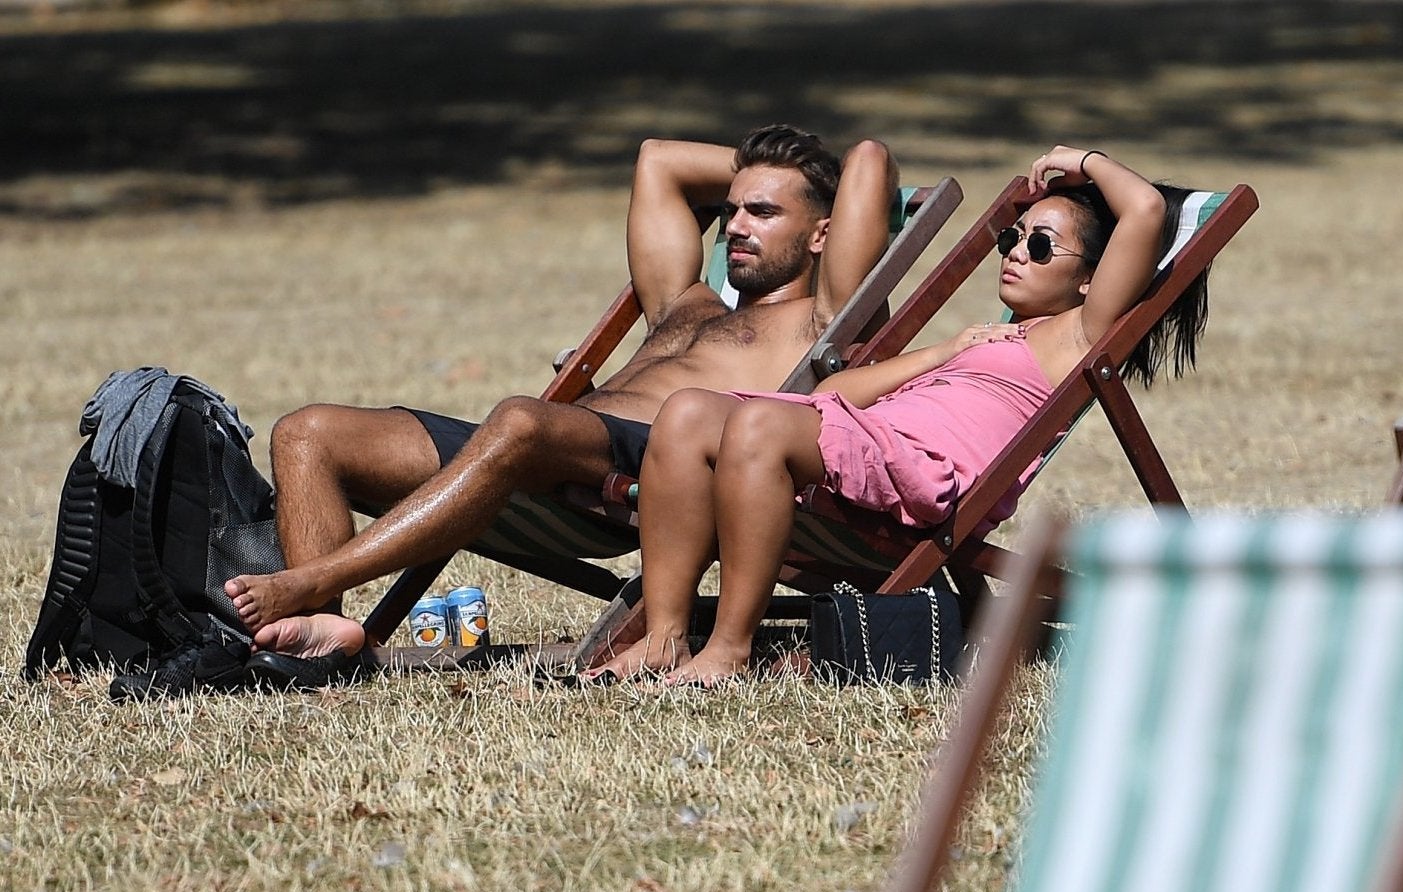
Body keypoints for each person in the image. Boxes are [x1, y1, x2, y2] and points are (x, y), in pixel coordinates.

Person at [221, 124, 899, 675]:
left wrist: (806, 172)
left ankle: (306, 583)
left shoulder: (823, 321)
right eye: (730, 209)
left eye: (763, 212)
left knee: (519, 417)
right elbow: (656, 161)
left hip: (650, 468)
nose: (736, 226)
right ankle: (323, 638)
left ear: (822, 234)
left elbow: (869, 160)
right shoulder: (685, 305)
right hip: (542, 452)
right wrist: (758, 170)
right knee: (308, 430)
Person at [594, 145, 1210, 685]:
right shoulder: (986, 340)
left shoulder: (1081, 336)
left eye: (1042, 244)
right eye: (1012, 237)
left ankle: (729, 649)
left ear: (1090, 280)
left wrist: (1082, 162)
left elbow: (1146, 212)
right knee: (687, 412)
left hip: (924, 474)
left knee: (755, 425)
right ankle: (662, 637)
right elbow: (842, 392)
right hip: (868, 441)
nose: (1017, 252)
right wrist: (943, 352)